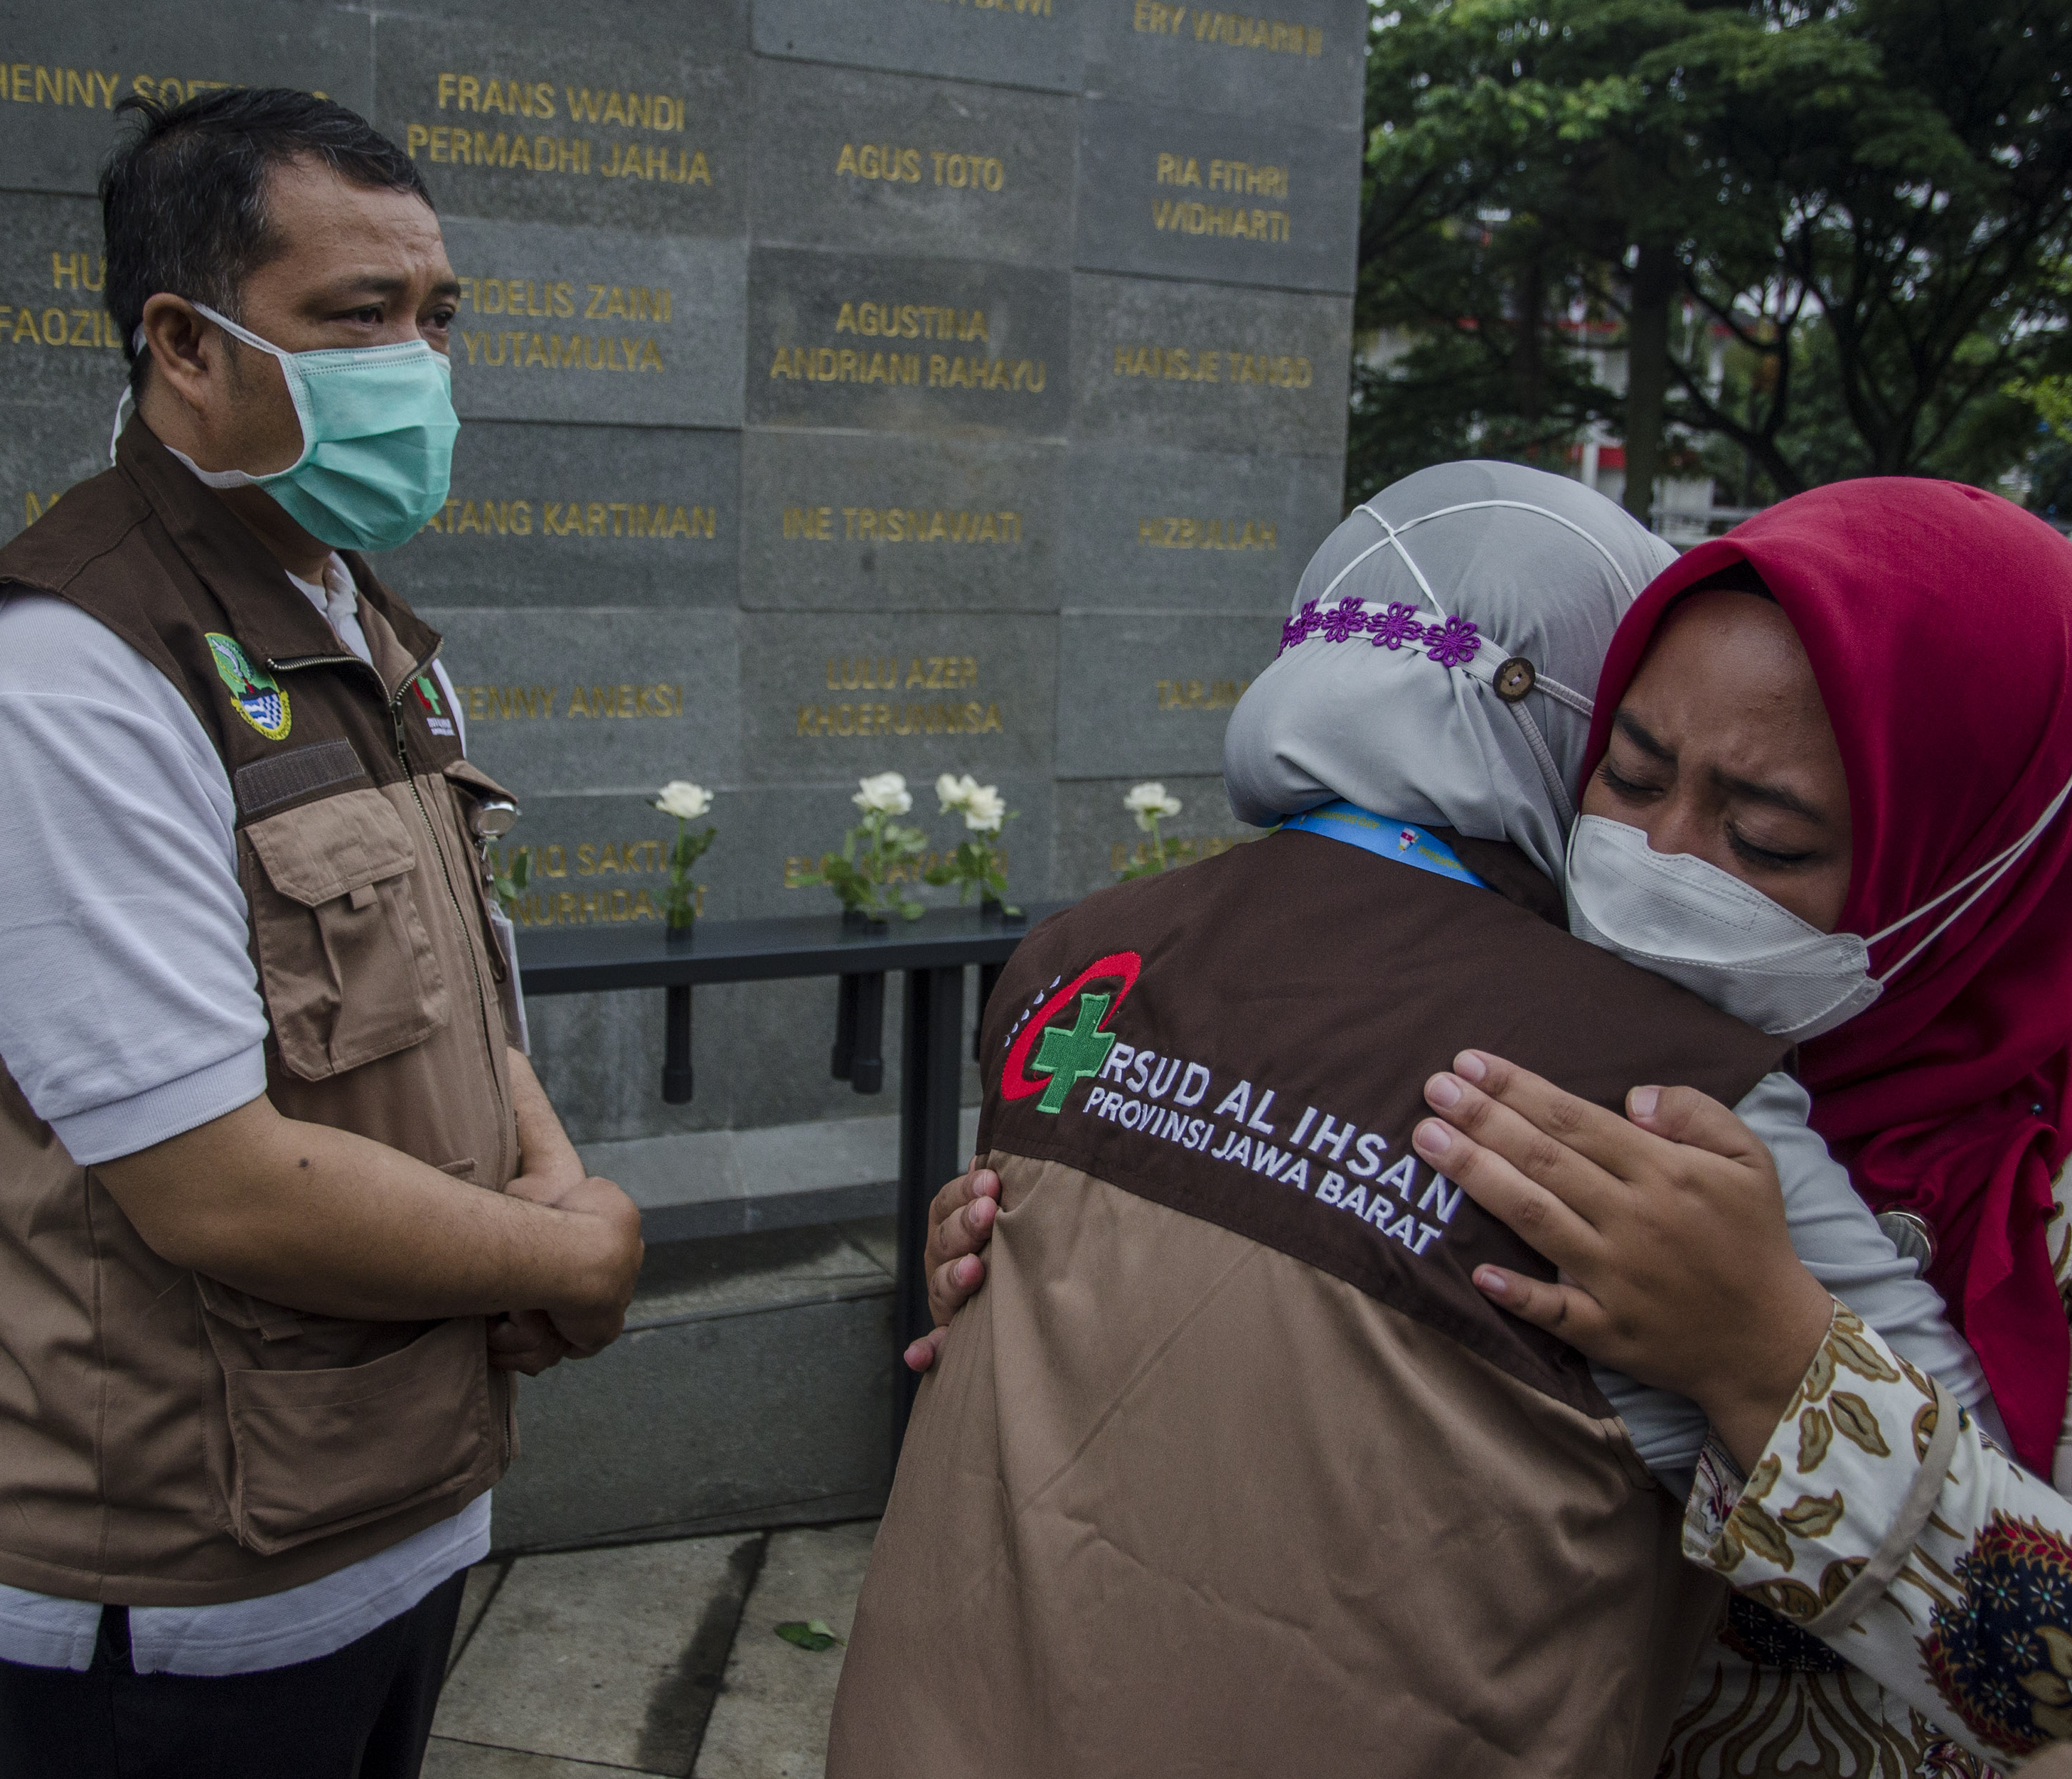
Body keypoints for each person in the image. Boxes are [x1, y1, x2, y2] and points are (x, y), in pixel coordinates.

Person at [829, 463, 1993, 1778]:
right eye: (1634, 765)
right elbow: (1960, 1527)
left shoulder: (1079, 959)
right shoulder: (1659, 1094)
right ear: (1574, 723)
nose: (1666, 853)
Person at [0, 89, 644, 1779]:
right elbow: (208, 1175)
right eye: (356, 315)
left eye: (436, 314)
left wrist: (546, 1165)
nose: (419, 363)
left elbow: (443, 982)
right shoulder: (60, 674)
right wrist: (568, 1253)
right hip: (180, 1589)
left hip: (393, 1508)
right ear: (184, 342)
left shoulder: (344, 610)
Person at [1404, 479, 2072, 1770]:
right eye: (1630, 777)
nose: (1658, 861)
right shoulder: (1523, 1019)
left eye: (1765, 836)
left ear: (1975, 858)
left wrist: (1772, 1362)